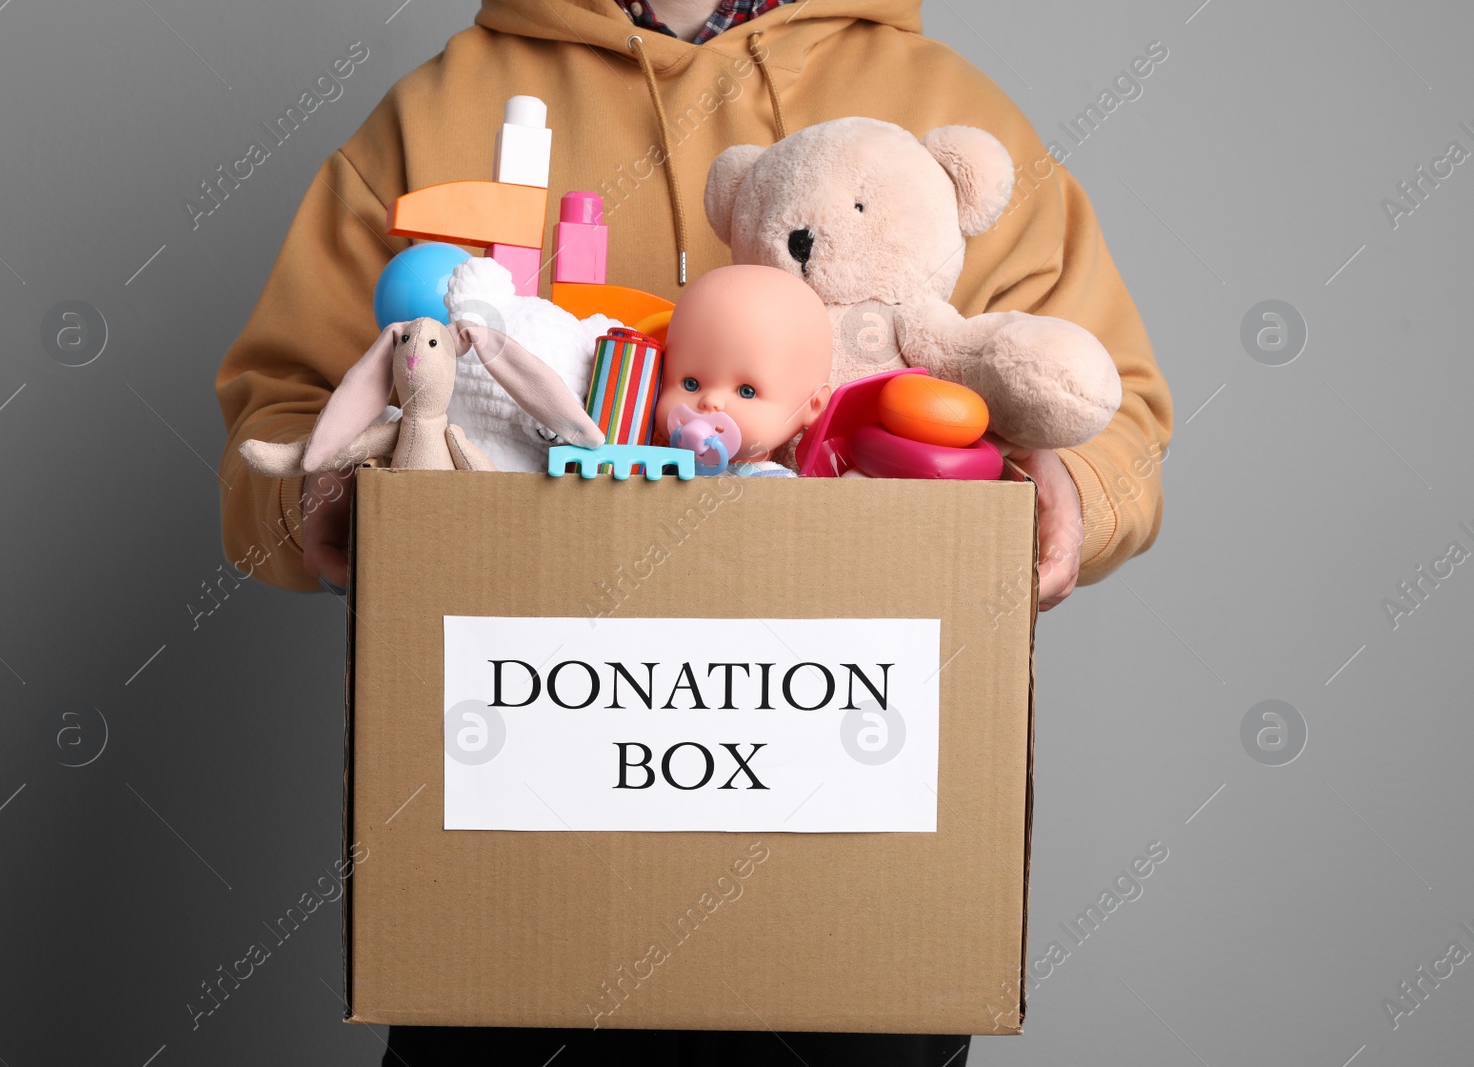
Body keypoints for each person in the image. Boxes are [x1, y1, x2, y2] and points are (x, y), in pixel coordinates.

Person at [215, 0, 1173, 1062]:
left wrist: (1071, 485)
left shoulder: (944, 104)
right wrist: (333, 499)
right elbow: (284, 420)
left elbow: (1113, 412)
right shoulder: (436, 114)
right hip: (512, 914)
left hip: (852, 900)